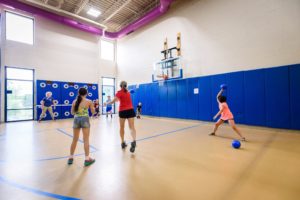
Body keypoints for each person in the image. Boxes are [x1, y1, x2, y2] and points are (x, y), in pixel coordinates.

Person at [106, 81, 137, 153]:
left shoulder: (119, 92)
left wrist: (107, 103)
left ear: (120, 86)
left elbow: (114, 101)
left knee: (122, 127)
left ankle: (122, 143)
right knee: (132, 127)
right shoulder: (128, 93)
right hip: (130, 110)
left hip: (122, 111)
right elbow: (119, 99)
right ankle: (134, 141)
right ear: (126, 86)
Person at [68, 87, 96, 166]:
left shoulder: (74, 101)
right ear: (86, 93)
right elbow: (93, 112)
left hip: (76, 119)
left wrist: (78, 111)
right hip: (85, 120)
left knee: (74, 139)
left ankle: (70, 158)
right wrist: (93, 109)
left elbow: (72, 113)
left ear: (78, 93)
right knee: (86, 139)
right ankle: (87, 159)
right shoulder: (89, 101)